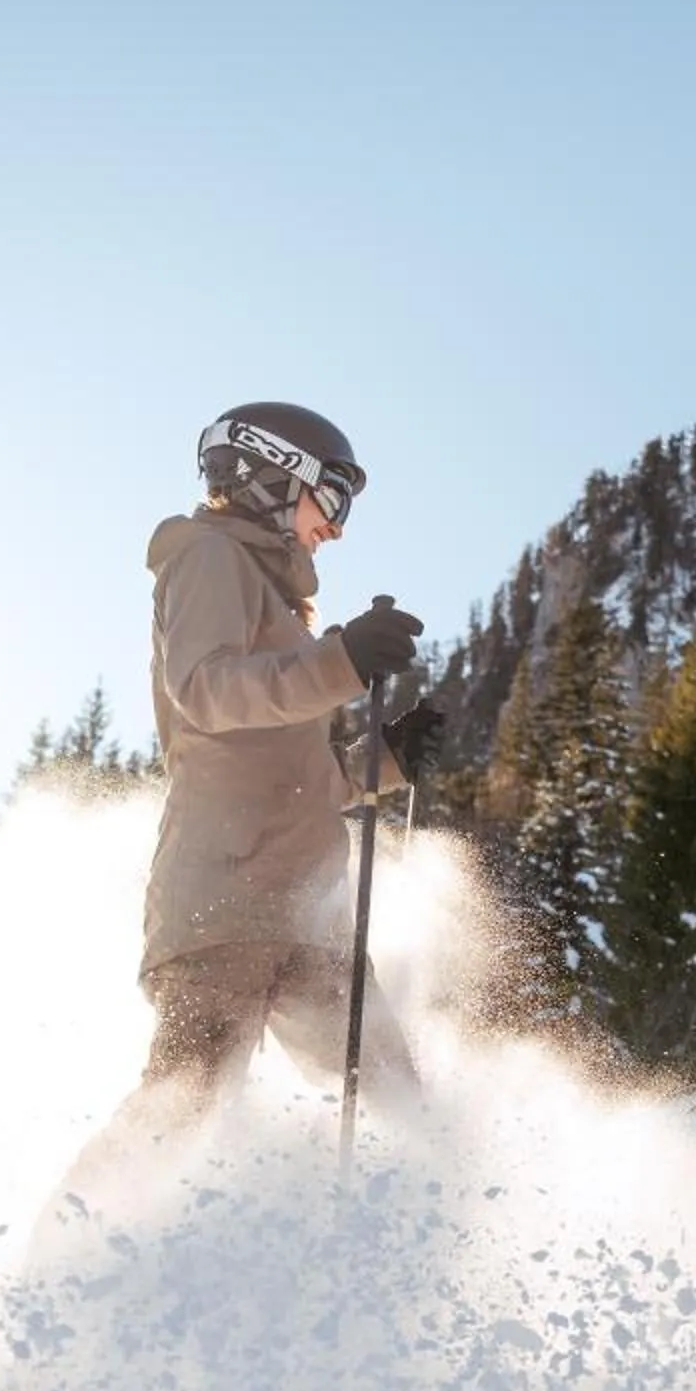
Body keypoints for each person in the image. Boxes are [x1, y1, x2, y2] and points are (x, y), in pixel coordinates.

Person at [81, 401, 446, 1177]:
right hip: (226, 903)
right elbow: (207, 691)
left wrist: (385, 757)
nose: (336, 527)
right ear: (273, 474)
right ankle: (73, 1244)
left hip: (305, 909)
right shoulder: (207, 555)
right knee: (185, 1102)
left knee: (397, 1096)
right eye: (332, 498)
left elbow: (299, 779)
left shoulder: (281, 611)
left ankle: (431, 1230)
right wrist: (342, 662)